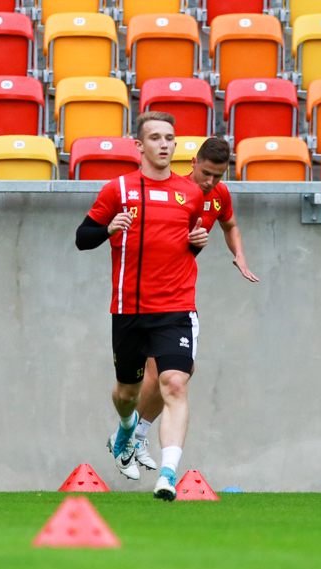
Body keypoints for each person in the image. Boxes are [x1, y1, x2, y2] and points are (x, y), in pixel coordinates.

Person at [109, 136, 259, 479]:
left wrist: (239, 254)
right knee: (147, 380)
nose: (210, 182)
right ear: (193, 163)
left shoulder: (219, 195)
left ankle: (136, 436)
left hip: (175, 298)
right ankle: (130, 434)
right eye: (206, 173)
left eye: (218, 176)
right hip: (142, 297)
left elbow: (230, 224)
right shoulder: (174, 191)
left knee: (174, 376)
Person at [76, 111, 207, 501]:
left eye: (169, 138)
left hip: (176, 307)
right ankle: (125, 428)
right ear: (139, 145)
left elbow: (186, 244)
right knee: (126, 393)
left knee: (175, 384)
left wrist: (197, 242)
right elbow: (82, 237)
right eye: (155, 138)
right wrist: (108, 229)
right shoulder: (117, 189)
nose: (164, 144)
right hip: (129, 309)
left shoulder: (191, 193)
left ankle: (167, 475)